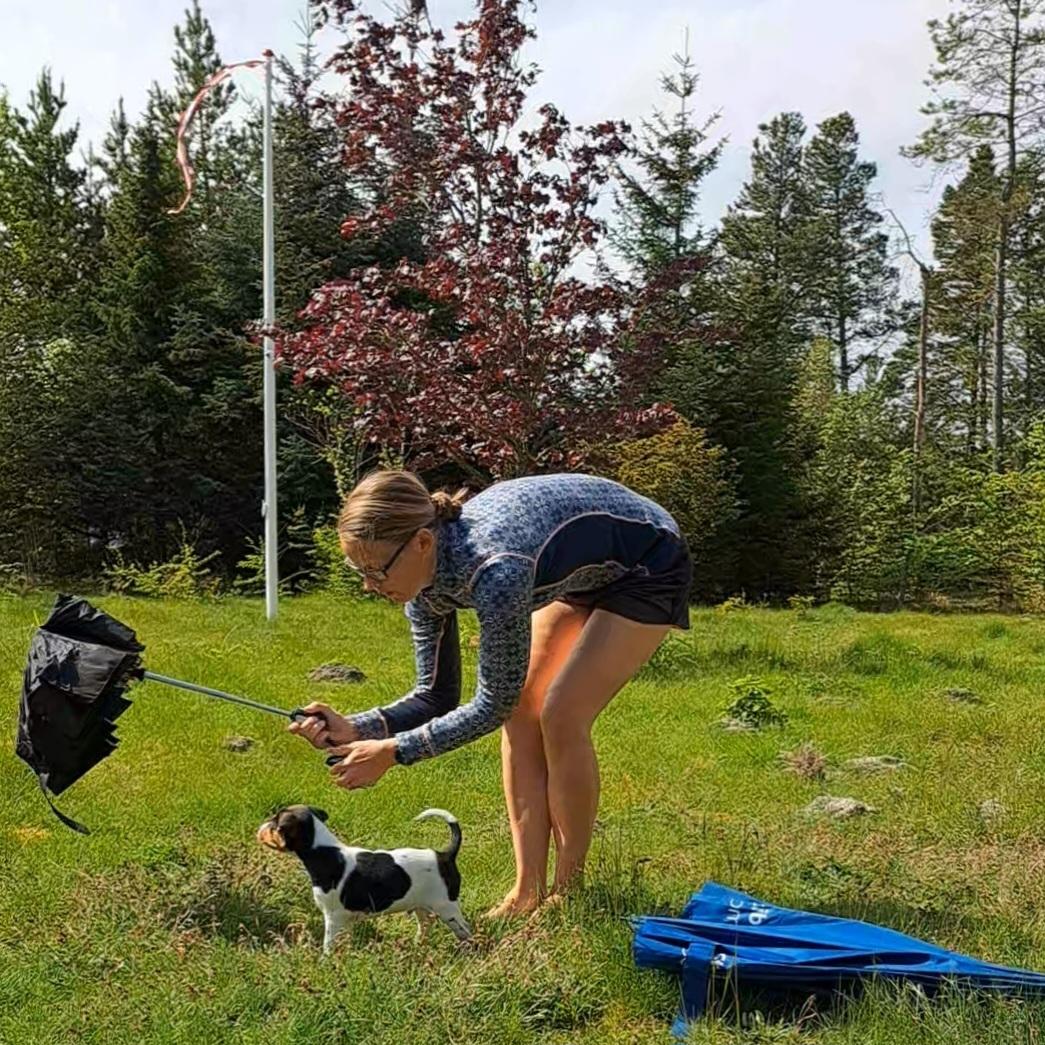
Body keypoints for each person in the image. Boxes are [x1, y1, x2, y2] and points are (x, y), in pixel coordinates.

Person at [288, 470, 692, 918]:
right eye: (358, 571)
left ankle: (568, 892)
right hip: (584, 565)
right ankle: (526, 891)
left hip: (648, 560)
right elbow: (435, 694)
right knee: (522, 711)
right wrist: (356, 728)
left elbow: (490, 703)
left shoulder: (497, 570)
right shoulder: (421, 587)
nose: (369, 585)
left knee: (560, 713)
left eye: (376, 570)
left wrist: (395, 751)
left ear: (423, 542)